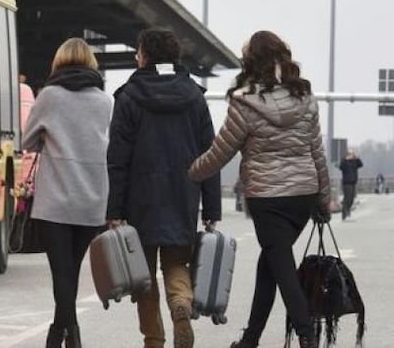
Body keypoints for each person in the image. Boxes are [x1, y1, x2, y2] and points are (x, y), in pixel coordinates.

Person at [188, 30, 330, 348]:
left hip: (268, 198)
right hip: (302, 197)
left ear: (251, 62)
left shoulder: (245, 103)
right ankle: (251, 338)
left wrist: (189, 173)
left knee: (281, 267)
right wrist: (323, 197)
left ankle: (307, 336)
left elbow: (219, 153)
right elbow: (317, 151)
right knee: (270, 262)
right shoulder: (305, 98)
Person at [106, 28, 221, 348]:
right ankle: (181, 304)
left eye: (137, 52)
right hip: (183, 195)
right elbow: (209, 155)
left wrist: (114, 210)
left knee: (143, 276)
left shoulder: (128, 97)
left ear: (144, 56)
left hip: (139, 199)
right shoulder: (194, 97)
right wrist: (211, 208)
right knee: (176, 263)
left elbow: (117, 159)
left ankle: (154, 340)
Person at [21, 37, 112, 348]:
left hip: (55, 202)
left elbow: (28, 141)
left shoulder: (49, 96)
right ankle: (66, 333)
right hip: (92, 201)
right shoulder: (105, 101)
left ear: (58, 62)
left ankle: (64, 334)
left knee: (62, 273)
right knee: (70, 270)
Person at [338, 150, 363, 220]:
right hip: (346, 183)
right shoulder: (344, 162)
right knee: (347, 199)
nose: (351, 155)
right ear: (347, 155)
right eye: (350, 154)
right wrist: (345, 159)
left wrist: (357, 157)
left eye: (352, 154)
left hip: (353, 182)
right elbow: (340, 167)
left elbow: (361, 164)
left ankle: (348, 213)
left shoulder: (354, 162)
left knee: (352, 199)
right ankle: (344, 215)